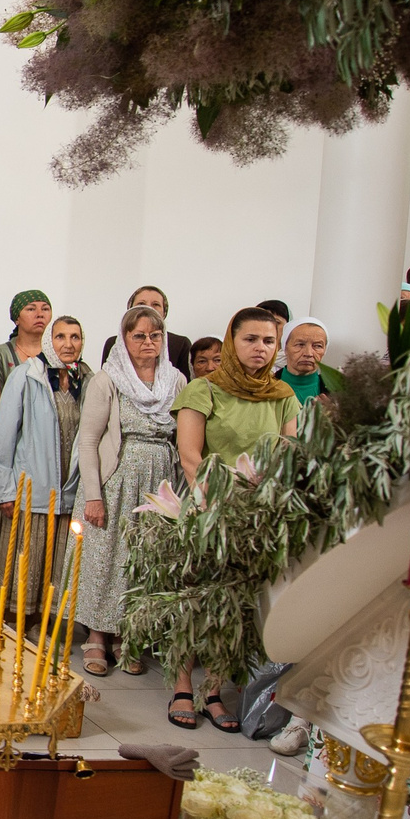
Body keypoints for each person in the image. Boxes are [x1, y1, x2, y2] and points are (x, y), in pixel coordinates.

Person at [167, 307, 301, 731]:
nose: (260, 348)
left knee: (234, 606)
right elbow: (191, 456)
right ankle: (182, 685)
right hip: (209, 509)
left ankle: (214, 691)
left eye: (268, 341)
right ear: (231, 342)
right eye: (250, 339)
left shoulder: (282, 396)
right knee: (197, 598)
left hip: (255, 514)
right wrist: (217, 503)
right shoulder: (204, 390)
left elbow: (288, 453)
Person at [75, 303, 181, 677]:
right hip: (115, 480)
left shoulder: (175, 380)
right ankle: (97, 637)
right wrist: (93, 495)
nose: (148, 342)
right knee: (107, 559)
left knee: (143, 561)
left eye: (155, 335)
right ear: (125, 338)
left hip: (159, 480)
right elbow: (88, 440)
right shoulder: (108, 380)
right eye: (139, 335)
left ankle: (129, 636)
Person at [0, 312, 85, 625]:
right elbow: (2, 437)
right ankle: (16, 623)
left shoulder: (90, 380)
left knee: (60, 564)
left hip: (70, 490)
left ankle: (53, 625)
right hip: (31, 490)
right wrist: (4, 490)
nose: (68, 344)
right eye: (60, 337)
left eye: (75, 337)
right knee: (25, 564)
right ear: (48, 341)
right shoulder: (27, 375)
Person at [98, 285, 193, 380]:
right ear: (130, 310)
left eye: (155, 304)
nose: (147, 308)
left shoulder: (181, 344)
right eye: (141, 304)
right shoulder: (113, 343)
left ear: (164, 312)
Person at [0, 289, 51, 389]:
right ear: (16, 318)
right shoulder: (1, 354)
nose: (40, 314)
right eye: (31, 309)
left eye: (45, 309)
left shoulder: (57, 353)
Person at [279, 318, 331, 406]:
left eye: (317, 346)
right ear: (285, 348)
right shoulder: (264, 387)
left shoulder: (337, 391)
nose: (308, 353)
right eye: (300, 344)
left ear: (324, 350)